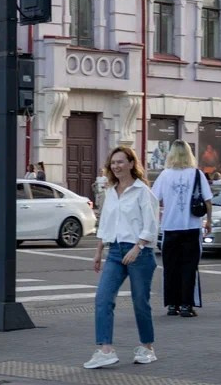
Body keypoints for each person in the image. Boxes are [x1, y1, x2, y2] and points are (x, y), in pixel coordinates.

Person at [84, 145, 160, 369]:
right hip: (115, 251)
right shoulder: (110, 191)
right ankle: (105, 350)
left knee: (140, 302)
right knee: (103, 298)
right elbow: (106, 223)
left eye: (120, 162)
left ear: (130, 164)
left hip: (139, 252)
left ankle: (147, 347)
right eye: (113, 163)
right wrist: (99, 251)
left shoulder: (142, 192)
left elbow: (151, 224)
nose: (116, 166)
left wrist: (137, 247)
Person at [151, 140, 212, 318]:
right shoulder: (197, 174)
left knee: (170, 268)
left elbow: (153, 198)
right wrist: (208, 221)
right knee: (189, 267)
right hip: (191, 226)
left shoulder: (165, 175)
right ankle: (186, 305)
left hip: (170, 227)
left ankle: (172, 304)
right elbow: (207, 200)